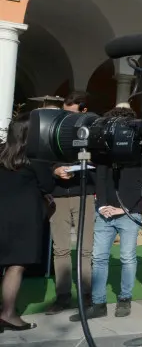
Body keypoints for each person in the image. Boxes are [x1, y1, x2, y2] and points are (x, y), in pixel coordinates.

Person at [71, 107, 142, 321]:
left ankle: (125, 299)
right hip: (105, 213)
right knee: (99, 257)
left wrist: (125, 208)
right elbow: (101, 178)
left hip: (130, 213)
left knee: (127, 257)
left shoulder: (139, 148)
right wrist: (102, 205)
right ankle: (98, 303)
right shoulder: (104, 149)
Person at [0, 114, 54, 331]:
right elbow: (48, 185)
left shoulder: (1, 152)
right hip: (24, 220)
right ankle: (8, 314)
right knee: (16, 266)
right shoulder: (35, 157)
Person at [46, 90, 95, 314]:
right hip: (58, 195)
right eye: (64, 113)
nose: (67, 119)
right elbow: (44, 157)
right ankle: (62, 297)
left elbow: (100, 162)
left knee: (85, 249)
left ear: (84, 111)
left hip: (84, 193)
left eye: (72, 114)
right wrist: (55, 170)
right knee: (60, 249)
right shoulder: (54, 128)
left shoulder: (93, 127)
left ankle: (86, 296)